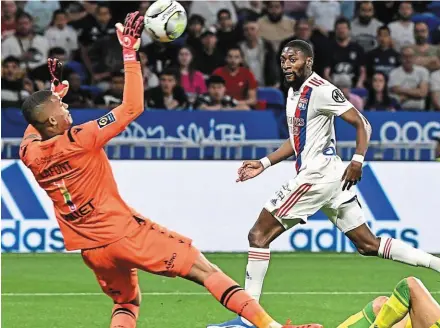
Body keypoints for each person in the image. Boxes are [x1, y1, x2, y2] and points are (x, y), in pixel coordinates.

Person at [17, 12, 319, 328]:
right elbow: (132, 107)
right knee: (206, 271)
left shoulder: (30, 153)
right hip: (125, 233)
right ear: (51, 121)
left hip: (90, 249)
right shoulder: (80, 138)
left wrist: (55, 93)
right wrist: (130, 52)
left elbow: (34, 128)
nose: (67, 109)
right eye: (61, 109)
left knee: (126, 301)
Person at [208, 39, 440, 328]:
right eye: (283, 59)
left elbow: (362, 123)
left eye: (292, 59)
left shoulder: (321, 90)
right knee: (368, 244)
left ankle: (248, 320)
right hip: (330, 177)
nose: (286, 64)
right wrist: (265, 163)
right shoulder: (294, 93)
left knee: (258, 236)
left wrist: (357, 159)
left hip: (317, 176)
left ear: (308, 61)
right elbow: (298, 141)